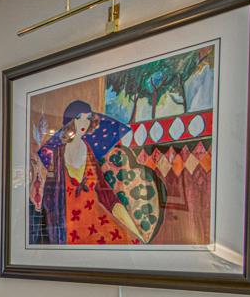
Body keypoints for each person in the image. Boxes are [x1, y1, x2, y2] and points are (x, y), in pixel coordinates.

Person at [31, 100, 157, 246]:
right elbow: (49, 198)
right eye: (79, 117)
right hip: (68, 228)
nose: (84, 122)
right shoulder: (58, 155)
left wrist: (132, 228)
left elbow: (105, 193)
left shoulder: (89, 152)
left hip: (96, 221)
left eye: (88, 118)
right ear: (70, 122)